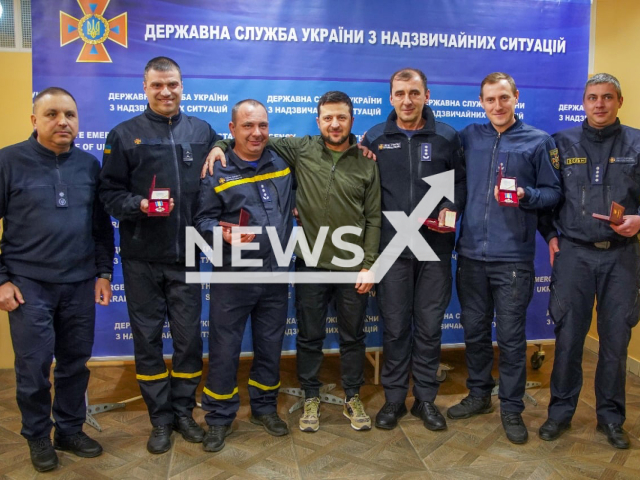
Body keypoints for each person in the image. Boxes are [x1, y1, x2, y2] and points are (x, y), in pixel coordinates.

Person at [208, 91, 381, 432]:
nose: (334, 124)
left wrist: (370, 263)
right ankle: (311, 396)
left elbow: (374, 217)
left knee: (353, 337)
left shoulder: (366, 162)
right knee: (309, 336)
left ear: (351, 121)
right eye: (328, 118)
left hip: (353, 264)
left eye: (341, 118)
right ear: (317, 121)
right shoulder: (301, 148)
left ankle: (353, 396)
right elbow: (251, 137)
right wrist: (219, 144)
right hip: (309, 262)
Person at [99, 57, 220, 454]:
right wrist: (139, 206)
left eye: (172, 85)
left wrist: (219, 146)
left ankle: (184, 413)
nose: (165, 92)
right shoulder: (123, 134)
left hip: (188, 257)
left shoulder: (202, 131)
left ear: (182, 86)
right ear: (145, 87)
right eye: (157, 86)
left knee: (187, 343)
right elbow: (109, 195)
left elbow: (223, 171)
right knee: (148, 342)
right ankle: (160, 420)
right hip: (141, 260)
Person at [0, 87, 114, 472]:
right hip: (28, 285)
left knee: (74, 364)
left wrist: (103, 273)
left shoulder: (89, 166)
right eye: (51, 114)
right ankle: (37, 435)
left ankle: (69, 430)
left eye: (69, 114)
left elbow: (101, 227)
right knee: (33, 368)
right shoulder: (8, 162)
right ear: (34, 120)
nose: (62, 121)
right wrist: (2, 280)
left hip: (81, 281)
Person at [449, 72, 562, 444]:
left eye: (503, 98)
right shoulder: (470, 137)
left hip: (512, 260)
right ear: (481, 102)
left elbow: (552, 194)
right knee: (475, 333)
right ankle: (480, 395)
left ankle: (511, 409)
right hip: (469, 256)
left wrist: (525, 195)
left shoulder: (538, 141)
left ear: (516, 98)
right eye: (489, 100)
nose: (497, 106)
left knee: (512, 340)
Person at [537, 73, 640, 449]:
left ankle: (611, 419)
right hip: (574, 255)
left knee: (615, 341)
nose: (600, 104)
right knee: (568, 339)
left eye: (607, 97)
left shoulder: (637, 142)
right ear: (583, 102)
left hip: (622, 258)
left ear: (619, 101)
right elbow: (548, 199)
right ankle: (559, 413)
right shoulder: (560, 144)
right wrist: (550, 236)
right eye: (593, 97)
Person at [361, 68, 466, 431]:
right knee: (394, 328)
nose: (407, 100)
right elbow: (363, 190)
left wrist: (451, 209)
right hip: (391, 251)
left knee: (429, 327)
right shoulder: (374, 137)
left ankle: (424, 400)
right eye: (400, 93)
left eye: (414, 93)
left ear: (427, 95)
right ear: (390, 97)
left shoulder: (447, 137)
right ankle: (393, 400)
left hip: (434, 249)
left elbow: (460, 186)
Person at [194, 99, 293, 452]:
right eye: (248, 126)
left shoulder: (282, 161)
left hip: (276, 276)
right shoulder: (216, 170)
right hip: (233, 278)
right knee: (224, 349)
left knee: (270, 347)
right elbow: (202, 220)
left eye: (262, 125)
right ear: (232, 129)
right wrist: (219, 233)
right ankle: (219, 418)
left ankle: (264, 408)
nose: (257, 133)